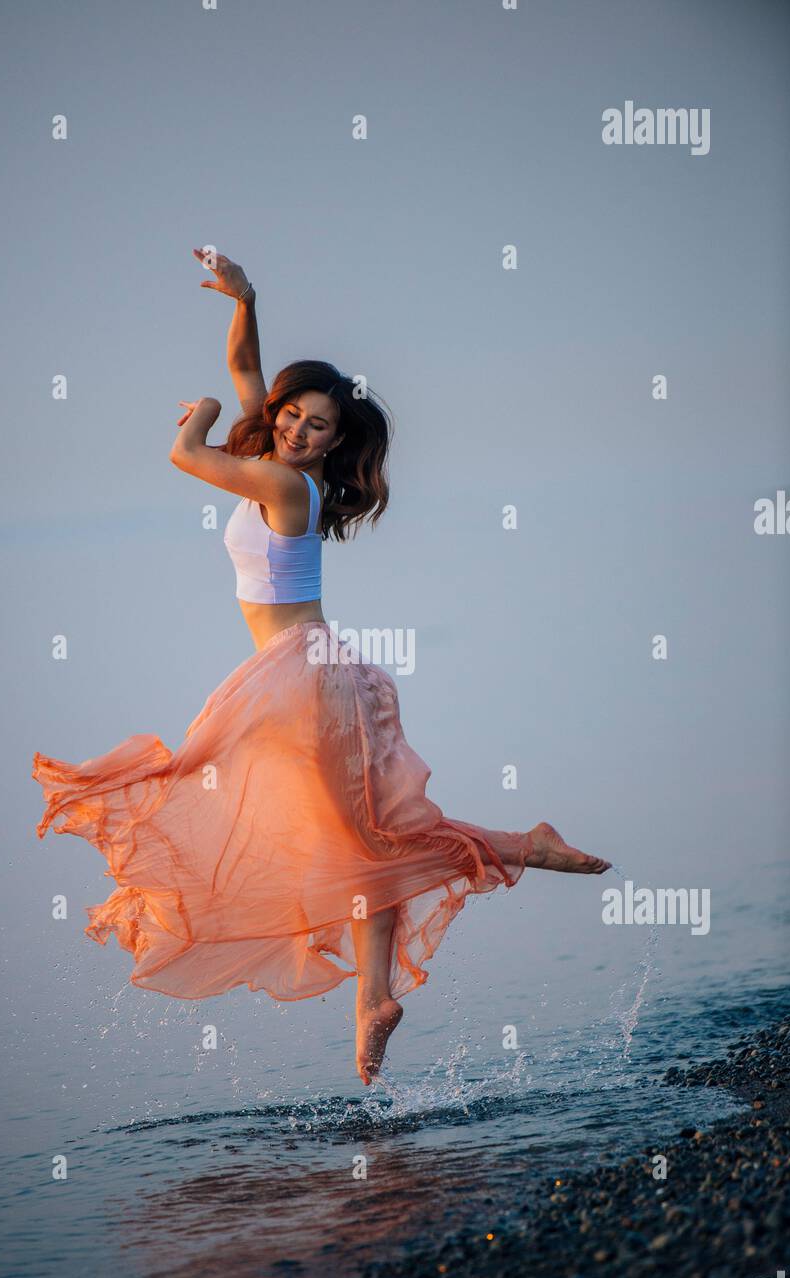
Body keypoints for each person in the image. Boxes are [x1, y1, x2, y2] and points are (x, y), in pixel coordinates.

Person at [32, 249, 610, 1086]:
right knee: (359, 844)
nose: (301, 430)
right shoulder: (276, 463)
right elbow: (246, 370)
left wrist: (193, 418)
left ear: (336, 444)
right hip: (303, 678)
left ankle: (526, 847)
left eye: (318, 427)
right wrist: (245, 297)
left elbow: (185, 455)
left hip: (304, 681)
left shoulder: (286, 487)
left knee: (365, 840)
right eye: (294, 416)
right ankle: (377, 998)